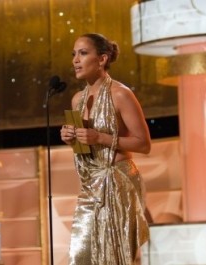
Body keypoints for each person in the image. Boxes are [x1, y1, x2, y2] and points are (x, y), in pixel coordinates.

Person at [60, 33, 151, 265]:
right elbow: (85, 149)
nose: (75, 60)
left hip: (118, 181)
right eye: (74, 54)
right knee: (82, 255)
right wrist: (71, 138)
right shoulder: (77, 100)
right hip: (91, 184)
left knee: (113, 257)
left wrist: (99, 136)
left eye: (83, 53)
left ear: (102, 59)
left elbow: (143, 143)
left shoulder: (120, 94)